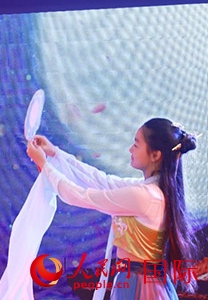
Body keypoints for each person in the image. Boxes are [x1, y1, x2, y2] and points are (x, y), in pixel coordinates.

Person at [26, 118, 198, 299]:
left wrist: (44, 165)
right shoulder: (150, 190)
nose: (130, 149)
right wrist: (55, 153)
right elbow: (101, 180)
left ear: (155, 155)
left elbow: (81, 196)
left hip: (141, 287)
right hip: (138, 281)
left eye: (136, 144)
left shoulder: (144, 196)